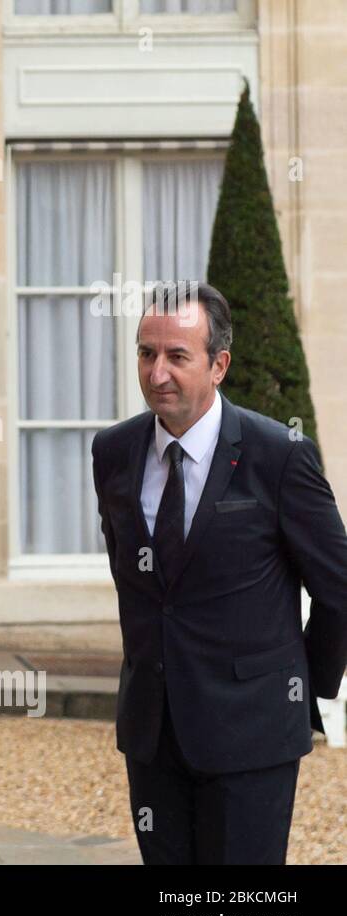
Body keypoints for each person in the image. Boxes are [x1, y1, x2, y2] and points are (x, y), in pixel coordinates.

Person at [91, 281, 347, 864]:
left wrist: (304, 687)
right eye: (146, 353)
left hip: (252, 735)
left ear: (219, 364)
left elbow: (340, 588)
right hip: (152, 734)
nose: (157, 373)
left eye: (177, 356)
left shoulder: (278, 455)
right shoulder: (113, 452)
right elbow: (137, 582)